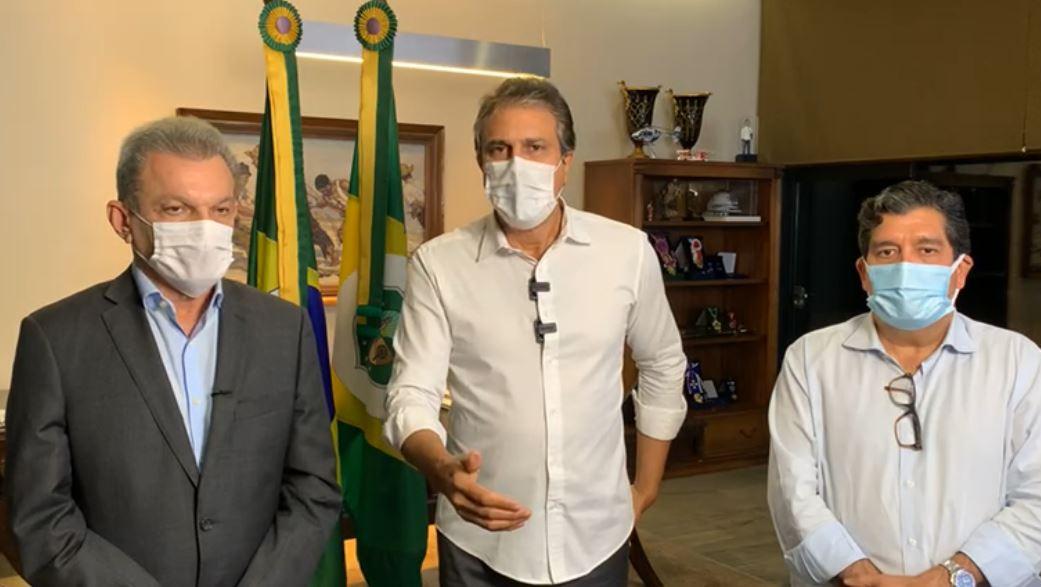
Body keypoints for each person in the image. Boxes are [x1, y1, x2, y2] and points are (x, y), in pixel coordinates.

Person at [5, 117, 341, 586]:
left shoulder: (284, 329)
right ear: (123, 220)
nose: (205, 229)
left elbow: (313, 487)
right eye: (177, 209)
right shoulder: (55, 338)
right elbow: (39, 516)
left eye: (220, 209)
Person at [382, 77, 687, 586]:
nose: (516, 164)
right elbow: (410, 392)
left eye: (535, 147)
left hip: (595, 536)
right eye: (499, 149)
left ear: (565, 160)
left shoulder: (627, 253)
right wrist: (442, 471)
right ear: (481, 162)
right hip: (480, 543)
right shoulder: (439, 264)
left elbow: (662, 362)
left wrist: (646, 487)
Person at [768, 180, 1041, 587]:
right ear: (864, 273)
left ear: (960, 270)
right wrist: (858, 575)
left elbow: (1037, 495)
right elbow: (792, 491)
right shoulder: (811, 359)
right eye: (887, 252)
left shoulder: (1018, 362)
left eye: (926, 250)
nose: (905, 265)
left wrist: (949, 577)